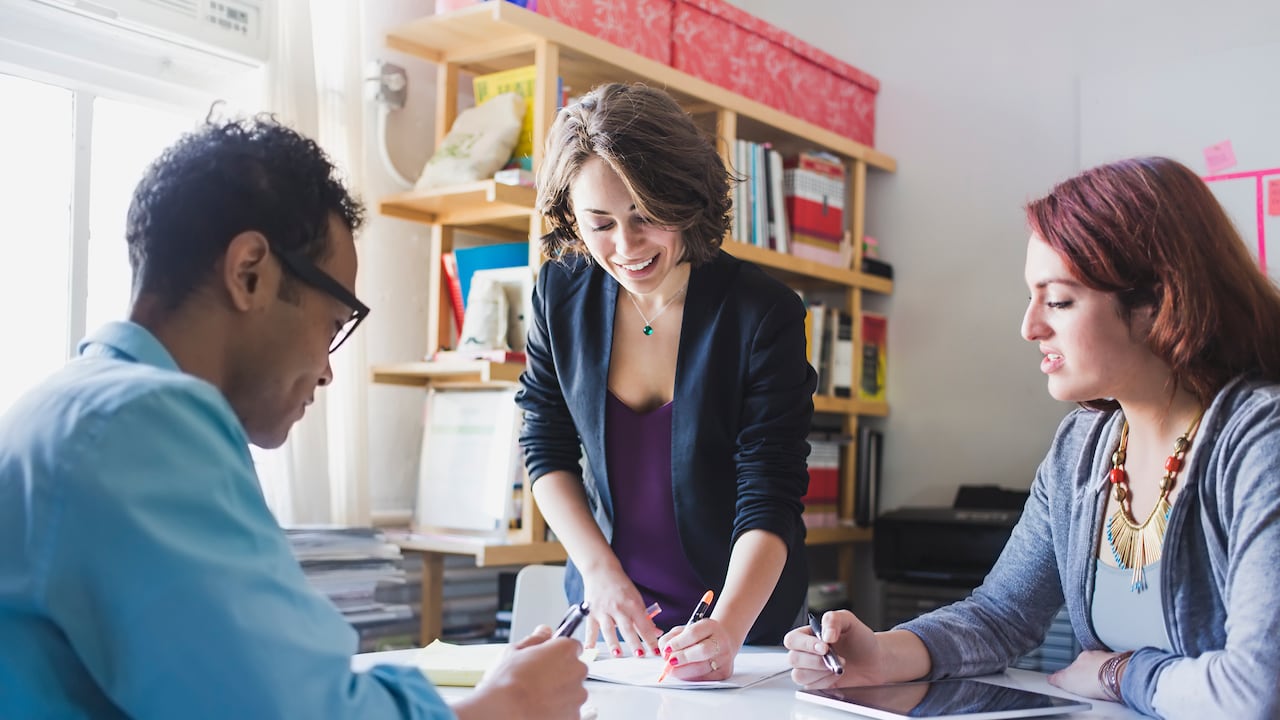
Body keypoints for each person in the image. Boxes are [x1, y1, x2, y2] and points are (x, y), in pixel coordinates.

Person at [0, 116, 588, 719]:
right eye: (334, 325)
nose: (328, 371)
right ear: (249, 272)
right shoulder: (141, 427)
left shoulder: (69, 407)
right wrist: (507, 705)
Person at [785, 156, 1280, 719]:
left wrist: (1120, 673)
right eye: (1031, 296)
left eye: (1060, 300)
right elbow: (1001, 614)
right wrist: (880, 652)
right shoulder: (1082, 447)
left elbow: (1256, 691)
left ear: (1156, 304)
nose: (1029, 327)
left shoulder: (1260, 440)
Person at [516, 82, 816, 681]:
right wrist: (601, 574)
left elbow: (770, 490)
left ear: (686, 199)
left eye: (646, 217)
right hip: (613, 624)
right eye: (599, 224)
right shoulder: (559, 294)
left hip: (746, 629)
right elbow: (544, 449)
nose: (625, 248)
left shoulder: (762, 313)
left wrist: (728, 628)